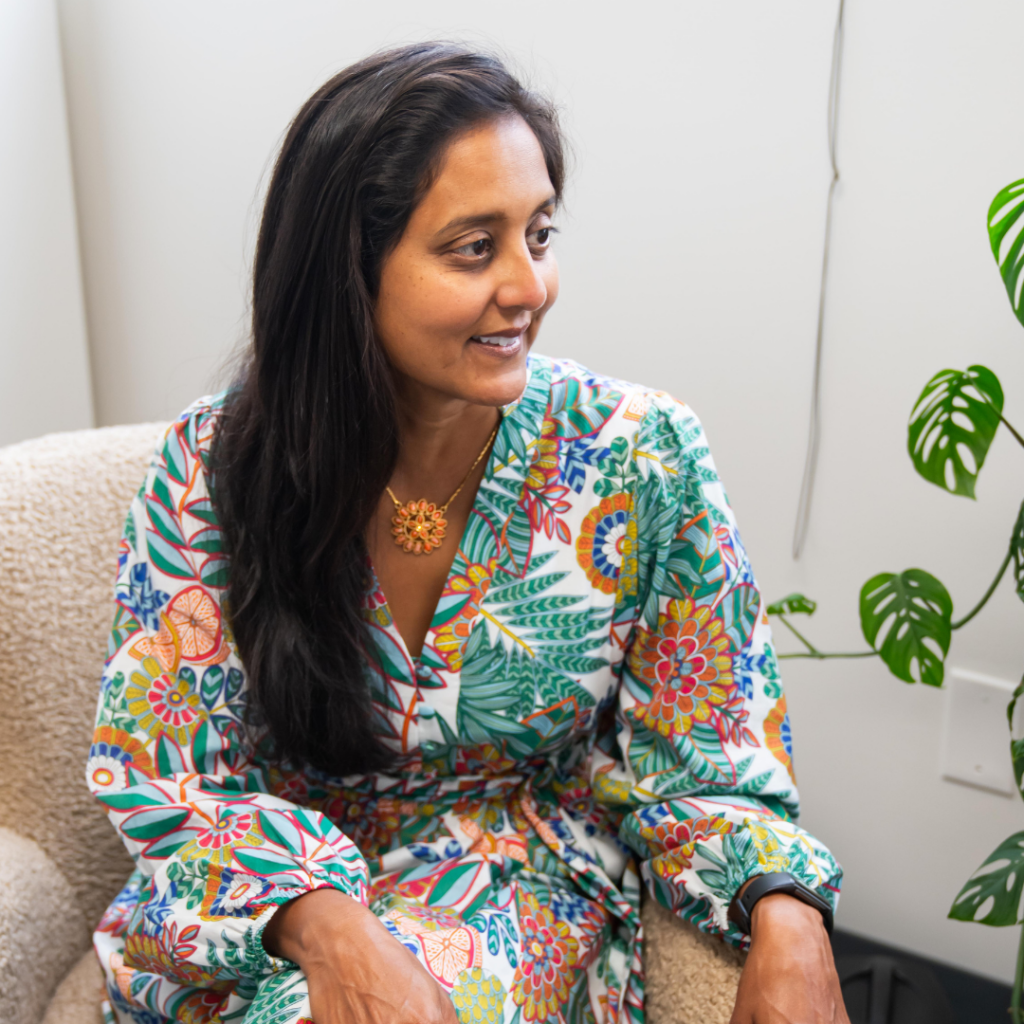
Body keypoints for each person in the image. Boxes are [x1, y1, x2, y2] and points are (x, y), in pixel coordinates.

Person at [87, 43, 848, 1024]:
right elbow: (164, 766)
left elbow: (712, 756)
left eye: (538, 233)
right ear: (349, 270)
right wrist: (326, 922)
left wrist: (787, 912)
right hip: (253, 898)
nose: (529, 287)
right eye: (473, 248)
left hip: (504, 873)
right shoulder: (213, 464)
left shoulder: (638, 454)